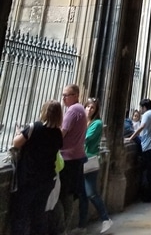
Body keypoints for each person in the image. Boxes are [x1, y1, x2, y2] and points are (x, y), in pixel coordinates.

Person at [10, 99, 63, 235]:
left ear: (44, 111)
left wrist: (18, 133)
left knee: (21, 215)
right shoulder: (58, 133)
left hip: (29, 178)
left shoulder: (35, 127)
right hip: (46, 179)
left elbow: (16, 143)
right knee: (39, 215)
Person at [50, 83, 87, 235]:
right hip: (76, 157)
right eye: (63, 95)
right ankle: (63, 228)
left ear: (76, 95)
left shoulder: (72, 111)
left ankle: (61, 229)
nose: (63, 98)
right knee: (68, 194)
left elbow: (61, 134)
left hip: (68, 159)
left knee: (60, 194)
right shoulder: (80, 110)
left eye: (66, 95)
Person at [79, 97, 113, 234]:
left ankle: (106, 219)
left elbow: (84, 138)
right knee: (82, 195)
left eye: (92, 107)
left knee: (91, 193)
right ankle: (82, 226)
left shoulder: (97, 123)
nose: (89, 109)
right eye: (87, 106)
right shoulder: (83, 122)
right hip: (80, 160)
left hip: (90, 160)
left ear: (96, 110)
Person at [127, 98, 151, 202]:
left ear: (144, 107)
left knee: (146, 171)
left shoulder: (147, 114)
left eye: (141, 108)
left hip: (147, 145)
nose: (140, 110)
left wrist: (131, 137)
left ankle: (147, 195)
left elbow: (142, 127)